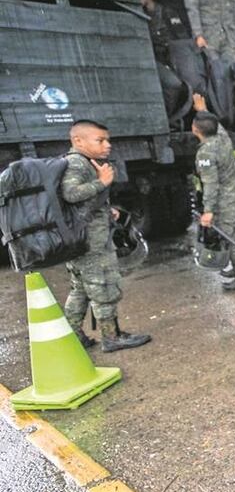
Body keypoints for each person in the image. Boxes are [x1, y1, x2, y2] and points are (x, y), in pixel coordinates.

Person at [61, 120, 152, 353]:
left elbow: (81, 202)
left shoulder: (82, 163)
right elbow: (71, 194)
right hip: (92, 243)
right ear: (78, 141)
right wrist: (102, 182)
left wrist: (106, 208)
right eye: (100, 140)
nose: (107, 145)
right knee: (104, 288)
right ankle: (111, 337)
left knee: (80, 289)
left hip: (81, 240)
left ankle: (73, 334)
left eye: (107, 140)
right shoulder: (76, 164)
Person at [192, 105, 235, 291]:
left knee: (233, 239)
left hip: (227, 204)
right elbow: (221, 129)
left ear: (195, 129)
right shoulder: (223, 140)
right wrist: (203, 109)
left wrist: (208, 211)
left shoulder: (205, 152)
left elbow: (210, 184)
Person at [138, 0, 189, 126]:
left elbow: (182, 37)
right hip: (156, 59)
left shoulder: (166, 12)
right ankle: (166, 119)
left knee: (177, 84)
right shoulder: (140, 15)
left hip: (174, 57)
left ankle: (168, 118)